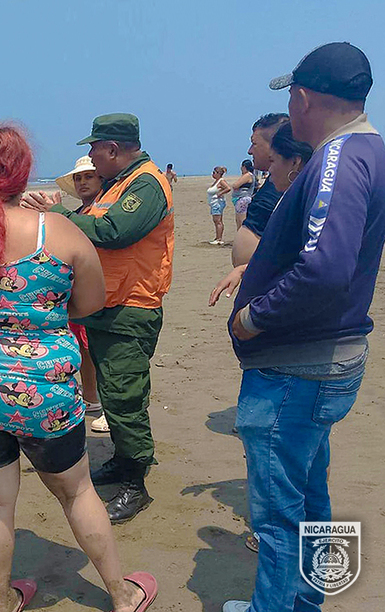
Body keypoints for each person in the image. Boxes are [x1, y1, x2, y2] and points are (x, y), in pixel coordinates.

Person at [0, 125, 157, 612]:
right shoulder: (57, 232)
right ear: (22, 174)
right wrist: (38, 314)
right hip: (45, 392)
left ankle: (2, 601)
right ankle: (121, 595)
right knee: (77, 492)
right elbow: (90, 303)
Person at [220, 42, 384, 612]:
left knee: (276, 513)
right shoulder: (370, 150)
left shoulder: (339, 158)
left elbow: (326, 269)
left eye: (292, 97)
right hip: (326, 357)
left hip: (297, 366)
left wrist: (251, 318)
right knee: (311, 495)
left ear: (303, 98)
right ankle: (306, 602)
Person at [24, 113, 174, 523]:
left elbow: (113, 232)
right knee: (112, 390)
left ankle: (135, 483)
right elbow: (94, 226)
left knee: (124, 395)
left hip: (131, 305)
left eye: (94, 148)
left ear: (113, 148)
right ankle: (125, 462)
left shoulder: (146, 183)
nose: (90, 157)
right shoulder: (119, 183)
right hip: (109, 304)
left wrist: (60, 215)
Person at [209, 123, 314, 558]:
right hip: (278, 334)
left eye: (259, 143)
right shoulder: (286, 187)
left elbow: (309, 267)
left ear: (291, 158)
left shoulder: (303, 193)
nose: (254, 151)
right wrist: (246, 269)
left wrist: (253, 317)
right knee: (297, 447)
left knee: (271, 441)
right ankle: (304, 539)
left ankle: (276, 536)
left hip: (280, 340)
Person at [53, 155, 104, 422]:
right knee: (83, 347)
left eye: (89, 177)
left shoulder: (103, 210)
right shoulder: (80, 212)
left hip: (98, 289)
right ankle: (92, 398)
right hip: (77, 288)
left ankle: (104, 402)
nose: (83, 182)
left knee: (98, 349)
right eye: (78, 178)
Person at [231, 114, 290, 266]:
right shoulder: (274, 180)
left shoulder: (287, 184)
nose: (250, 151)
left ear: (275, 145)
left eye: (254, 144)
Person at [230, 159, 256, 230]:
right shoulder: (249, 175)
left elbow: (235, 185)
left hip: (242, 199)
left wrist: (236, 186)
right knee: (239, 221)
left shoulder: (247, 175)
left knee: (240, 221)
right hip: (241, 198)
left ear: (244, 167)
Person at [206, 166, 230, 244]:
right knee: (216, 221)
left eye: (214, 172)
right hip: (214, 203)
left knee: (218, 221)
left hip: (217, 203)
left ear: (218, 173)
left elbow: (228, 188)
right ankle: (217, 237)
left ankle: (219, 239)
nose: (212, 174)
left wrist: (220, 193)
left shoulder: (221, 181)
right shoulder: (216, 181)